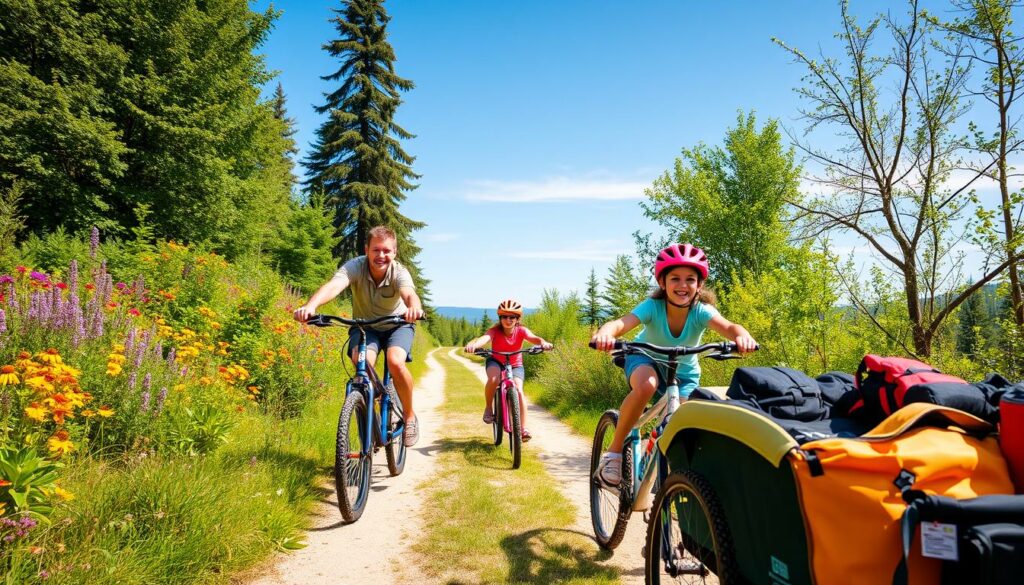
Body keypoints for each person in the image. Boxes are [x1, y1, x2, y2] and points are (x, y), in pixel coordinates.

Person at [590, 243, 757, 486]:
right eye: (675, 278)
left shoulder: (702, 311)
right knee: (647, 385)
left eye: (690, 279)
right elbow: (620, 324)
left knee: (684, 424)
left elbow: (731, 327)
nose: (682, 285)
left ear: (699, 285)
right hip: (644, 358)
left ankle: (665, 474)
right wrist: (605, 334)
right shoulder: (652, 307)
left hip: (684, 374)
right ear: (662, 283)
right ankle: (614, 454)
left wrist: (742, 337)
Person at [293, 226, 425, 446]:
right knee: (361, 363)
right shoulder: (355, 266)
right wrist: (311, 306)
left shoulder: (399, 272)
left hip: (398, 324)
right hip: (365, 327)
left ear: (394, 253)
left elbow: (409, 294)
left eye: (386, 250)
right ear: (367, 249)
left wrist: (414, 309)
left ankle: (409, 416)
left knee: (395, 361)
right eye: (375, 250)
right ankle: (373, 409)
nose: (380, 255)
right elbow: (335, 285)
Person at [464, 299, 553, 442]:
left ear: (518, 319)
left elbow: (533, 338)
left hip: (516, 364)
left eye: (512, 317)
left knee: (518, 390)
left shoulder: (521, 330)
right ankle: (488, 408)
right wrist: (474, 345)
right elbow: (485, 338)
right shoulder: (495, 331)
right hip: (496, 362)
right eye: (505, 316)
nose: (508, 320)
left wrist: (543, 342)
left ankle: (523, 429)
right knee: (494, 379)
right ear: (500, 318)